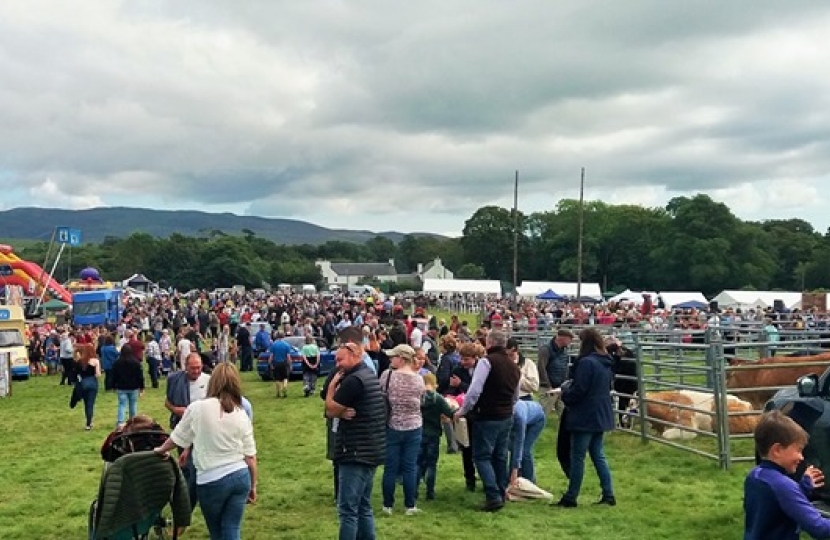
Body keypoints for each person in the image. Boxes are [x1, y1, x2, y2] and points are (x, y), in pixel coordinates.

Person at [155, 363, 257, 540]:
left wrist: (160, 449)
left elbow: (178, 437)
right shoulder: (241, 411)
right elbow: (251, 456)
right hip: (240, 477)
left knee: (217, 532)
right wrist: (253, 485)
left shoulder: (197, 408)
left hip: (211, 479)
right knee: (232, 529)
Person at [325, 334, 386, 540]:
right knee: (363, 506)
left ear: (354, 356)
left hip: (355, 451)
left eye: (340, 360)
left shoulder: (353, 380)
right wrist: (341, 410)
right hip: (372, 447)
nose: (337, 365)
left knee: (348, 510)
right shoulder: (368, 374)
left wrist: (333, 385)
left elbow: (331, 409)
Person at [454, 330, 521, 512]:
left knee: (481, 456)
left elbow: (475, 391)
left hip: (487, 415)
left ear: (489, 343)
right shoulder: (513, 365)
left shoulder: (486, 362)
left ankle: (492, 496)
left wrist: (463, 410)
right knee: (500, 456)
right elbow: (516, 394)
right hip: (506, 415)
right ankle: (500, 492)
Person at [744, 410, 830, 540]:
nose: (801, 457)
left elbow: (780, 507)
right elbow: (819, 528)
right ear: (777, 450)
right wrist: (794, 488)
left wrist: (804, 486)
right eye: (798, 450)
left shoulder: (755, 476)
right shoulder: (782, 485)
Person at [556, 327, 616, 508]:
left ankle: (571, 496)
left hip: (585, 415)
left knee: (578, 457)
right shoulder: (606, 362)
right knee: (598, 455)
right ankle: (608, 493)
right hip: (601, 413)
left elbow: (579, 390)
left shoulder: (586, 363)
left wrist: (565, 393)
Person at [379, 344, 425, 516]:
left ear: (402, 358)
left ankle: (387, 505)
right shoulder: (419, 379)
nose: (391, 359)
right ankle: (410, 505)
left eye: (393, 356)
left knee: (390, 467)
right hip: (414, 426)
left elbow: (380, 395)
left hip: (392, 425)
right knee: (410, 467)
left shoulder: (387, 376)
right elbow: (421, 401)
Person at [165, 352, 211, 510]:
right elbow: (167, 402)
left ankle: (192, 499)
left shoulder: (208, 380)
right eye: (193, 368)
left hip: (203, 428)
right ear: (185, 367)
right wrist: (175, 409)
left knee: (197, 464)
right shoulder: (174, 380)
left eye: (199, 368)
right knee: (185, 465)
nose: (196, 371)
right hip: (183, 426)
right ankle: (185, 496)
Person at [418, 372, 455, 500]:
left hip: (419, 432)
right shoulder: (438, 398)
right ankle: (430, 492)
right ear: (434, 384)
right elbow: (450, 413)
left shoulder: (417, 397)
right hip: (433, 434)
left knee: (417, 463)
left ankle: (413, 490)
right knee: (431, 464)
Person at [509, 399, 546, 485]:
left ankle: (530, 481)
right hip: (527, 416)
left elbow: (519, 441)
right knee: (514, 449)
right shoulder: (507, 411)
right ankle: (514, 478)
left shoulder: (519, 416)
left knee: (525, 450)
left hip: (537, 421)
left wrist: (515, 469)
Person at [537, 328, 574, 415]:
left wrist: (564, 384)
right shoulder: (546, 349)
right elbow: (541, 368)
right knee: (542, 414)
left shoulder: (564, 350)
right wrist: (548, 385)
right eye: (570, 339)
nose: (571, 342)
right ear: (563, 338)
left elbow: (565, 366)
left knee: (565, 414)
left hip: (560, 386)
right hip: (548, 387)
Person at [111, 344, 145, 428]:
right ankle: (132, 421)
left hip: (121, 387)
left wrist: (113, 385)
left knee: (122, 404)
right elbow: (140, 376)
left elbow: (114, 375)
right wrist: (142, 387)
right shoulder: (136, 362)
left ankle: (120, 422)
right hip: (133, 387)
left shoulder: (117, 363)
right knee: (133, 404)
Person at [74, 343, 101, 430]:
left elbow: (77, 374)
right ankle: (89, 422)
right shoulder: (95, 361)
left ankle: (88, 422)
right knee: (91, 403)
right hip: (92, 383)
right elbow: (98, 374)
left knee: (86, 404)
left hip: (84, 383)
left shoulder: (80, 361)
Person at [507, 337, 539, 402]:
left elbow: (534, 386)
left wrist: (518, 375)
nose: (509, 358)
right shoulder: (501, 364)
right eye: (506, 355)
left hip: (524, 398)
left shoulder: (528, 363)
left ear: (517, 350)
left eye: (511, 355)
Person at [268, 332, 292, 398]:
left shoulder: (273, 345)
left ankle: (278, 392)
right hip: (284, 363)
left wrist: (270, 363)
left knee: (277, 379)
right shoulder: (287, 345)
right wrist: (290, 364)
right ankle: (284, 387)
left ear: (277, 336)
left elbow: (271, 356)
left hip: (276, 363)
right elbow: (288, 357)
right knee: (285, 377)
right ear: (283, 336)